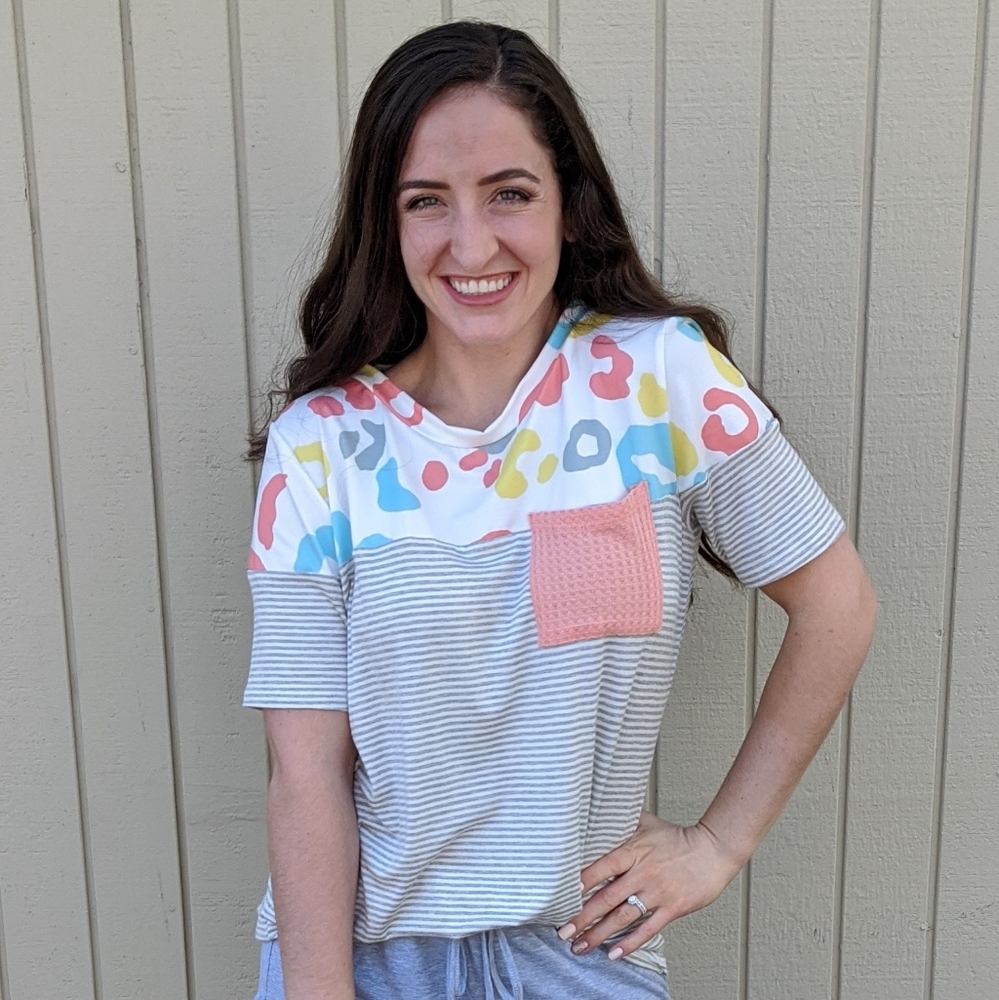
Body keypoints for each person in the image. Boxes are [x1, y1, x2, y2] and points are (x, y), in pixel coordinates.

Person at [243, 20, 877, 1000]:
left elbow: (839, 605)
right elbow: (306, 774)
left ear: (569, 207)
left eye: (509, 194)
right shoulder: (320, 445)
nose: (471, 242)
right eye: (427, 202)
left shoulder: (660, 380)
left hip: (582, 948)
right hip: (370, 955)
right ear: (389, 222)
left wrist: (717, 841)